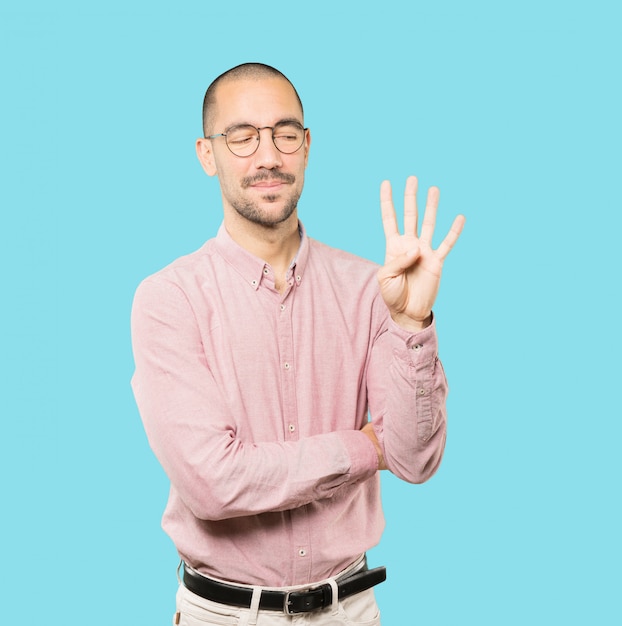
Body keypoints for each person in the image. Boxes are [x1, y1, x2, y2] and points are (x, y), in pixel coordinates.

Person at [131, 62, 465, 625]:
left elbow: (413, 459)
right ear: (206, 153)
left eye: (285, 135)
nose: (267, 156)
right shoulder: (170, 299)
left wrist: (411, 324)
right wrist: (364, 448)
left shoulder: (373, 288)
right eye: (242, 137)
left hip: (350, 611)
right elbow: (214, 482)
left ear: (306, 147)